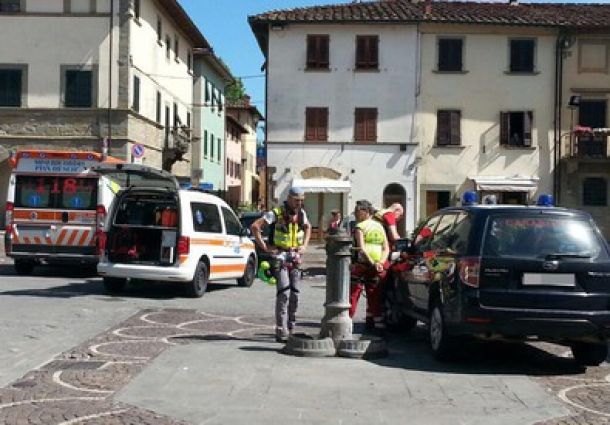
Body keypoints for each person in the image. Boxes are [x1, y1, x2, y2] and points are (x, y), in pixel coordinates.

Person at [251, 187, 312, 342]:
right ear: (289, 198)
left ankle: (291, 327)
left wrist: (304, 246)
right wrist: (265, 247)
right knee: (284, 292)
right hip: (280, 256)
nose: (299, 203)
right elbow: (255, 226)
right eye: (297, 200)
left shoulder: (301, 214)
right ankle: (281, 329)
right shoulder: (276, 213)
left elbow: (308, 227)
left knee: (295, 293)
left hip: (295, 256)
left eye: (301, 200)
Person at [349, 200, 389, 334]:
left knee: (354, 293)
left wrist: (372, 262)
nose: (355, 214)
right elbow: (386, 248)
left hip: (362, 265)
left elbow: (361, 248)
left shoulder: (360, 227)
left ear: (365, 212)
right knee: (374, 294)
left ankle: (347, 322)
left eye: (357, 211)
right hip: (377, 265)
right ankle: (375, 324)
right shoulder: (380, 226)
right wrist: (380, 263)